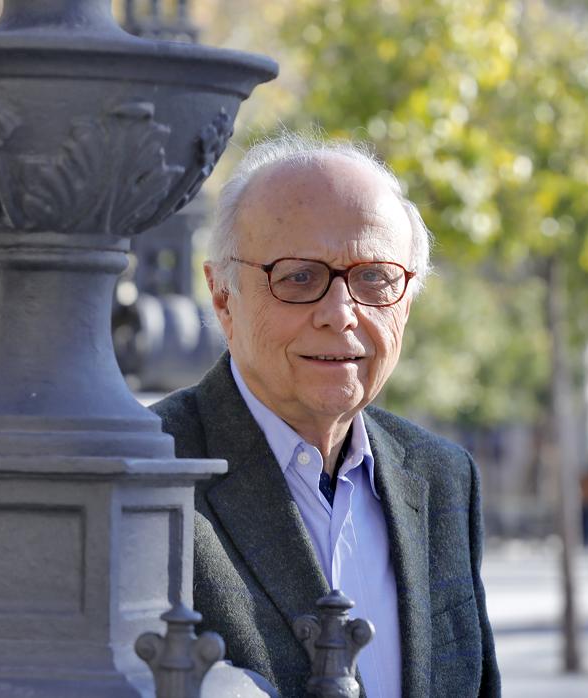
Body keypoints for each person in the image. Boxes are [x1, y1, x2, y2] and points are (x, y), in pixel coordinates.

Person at [151, 135, 501, 698]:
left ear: (407, 299)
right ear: (222, 297)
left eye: (374, 278)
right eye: (298, 277)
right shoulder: (147, 473)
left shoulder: (443, 478)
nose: (340, 314)